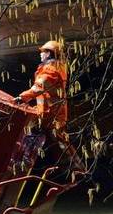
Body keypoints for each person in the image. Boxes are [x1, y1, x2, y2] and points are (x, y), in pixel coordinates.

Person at [13, 40, 82, 170]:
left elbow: (40, 86)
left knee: (34, 133)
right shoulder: (57, 67)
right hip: (52, 112)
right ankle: (76, 168)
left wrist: (22, 98)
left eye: (43, 52)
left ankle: (24, 161)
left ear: (49, 53)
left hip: (50, 113)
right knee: (57, 139)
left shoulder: (50, 69)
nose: (40, 55)